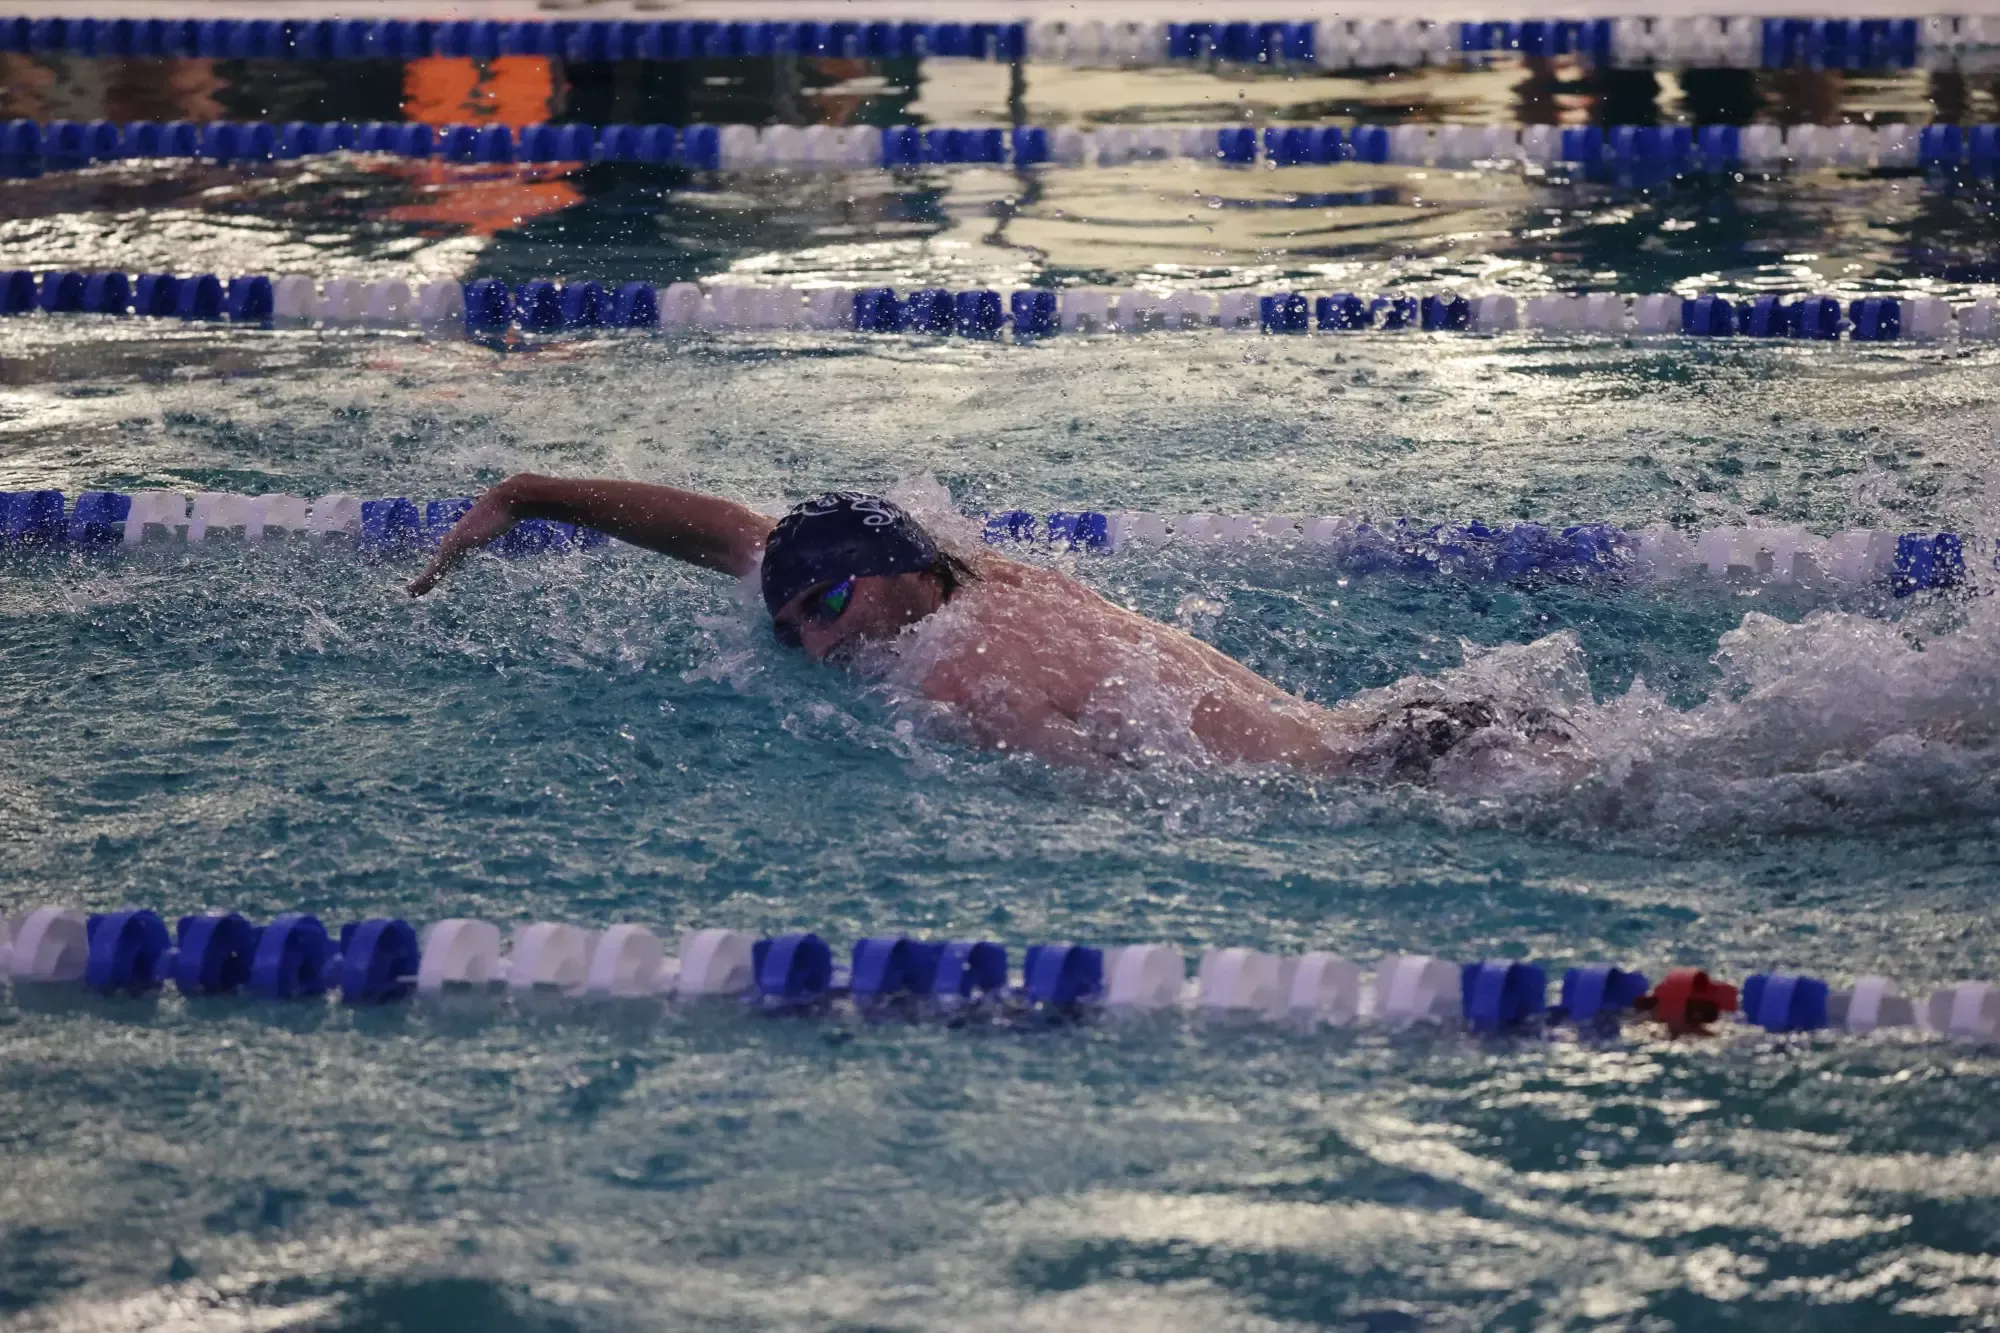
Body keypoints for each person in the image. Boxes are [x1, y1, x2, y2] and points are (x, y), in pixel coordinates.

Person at [410, 477, 1571, 776]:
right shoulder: (974, 574)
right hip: (1399, 730)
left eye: (823, 611)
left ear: (895, 579)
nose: (814, 644)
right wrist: (527, 493)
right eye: (787, 629)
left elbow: (1136, 824)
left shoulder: (958, 680)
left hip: (1386, 789)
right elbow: (733, 533)